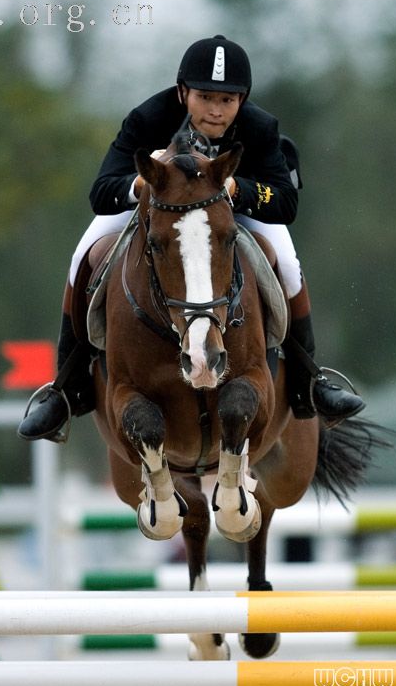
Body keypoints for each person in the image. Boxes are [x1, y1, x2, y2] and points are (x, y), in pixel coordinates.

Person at [18, 36, 364, 441]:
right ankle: (65, 387)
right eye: (204, 97)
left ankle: (310, 380)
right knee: (83, 257)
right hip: (158, 210)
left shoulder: (259, 127)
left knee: (286, 263)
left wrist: (236, 189)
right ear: (183, 92)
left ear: (243, 100)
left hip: (229, 213)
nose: (216, 111)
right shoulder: (148, 118)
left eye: (228, 100)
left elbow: (284, 202)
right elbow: (101, 190)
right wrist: (144, 185)